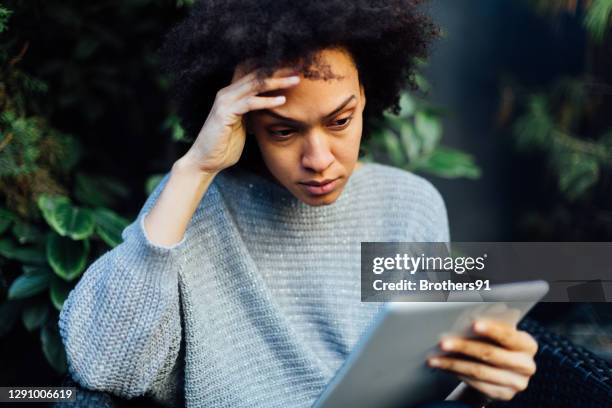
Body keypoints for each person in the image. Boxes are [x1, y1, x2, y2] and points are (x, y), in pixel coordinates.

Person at [58, 1, 538, 407]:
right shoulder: (195, 209)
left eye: (340, 120)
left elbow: (427, 377)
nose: (319, 159)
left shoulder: (408, 204)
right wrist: (193, 170)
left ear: (366, 94)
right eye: (284, 131)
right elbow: (105, 366)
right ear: (244, 125)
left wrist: (481, 381)